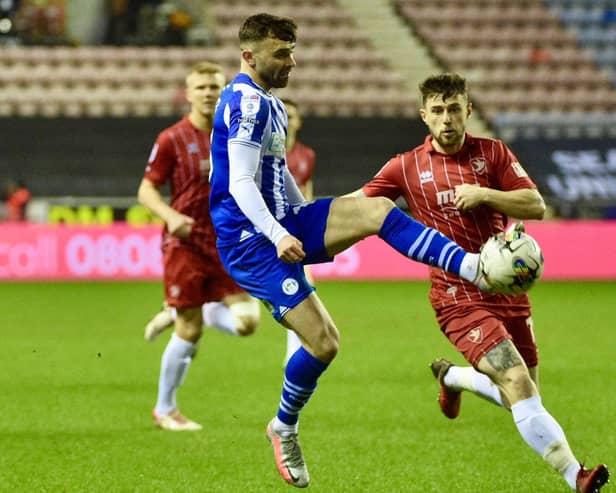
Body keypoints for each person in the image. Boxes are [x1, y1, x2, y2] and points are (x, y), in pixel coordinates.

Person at [208, 14, 496, 488]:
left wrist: (311, 222)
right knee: (324, 343)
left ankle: (471, 268)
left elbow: (277, 176)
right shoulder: (245, 102)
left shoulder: (272, 105)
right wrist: (280, 236)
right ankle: (283, 426)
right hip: (251, 240)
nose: (292, 61)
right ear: (249, 56)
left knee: (375, 209)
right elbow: (240, 182)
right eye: (281, 53)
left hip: (284, 220)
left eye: (292, 50)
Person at [353, 73, 609, 493]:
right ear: (424, 116)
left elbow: (535, 204)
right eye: (438, 110)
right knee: (516, 383)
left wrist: (486, 194)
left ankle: (453, 378)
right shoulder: (405, 166)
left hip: (508, 292)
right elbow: (357, 205)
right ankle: (575, 476)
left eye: (454, 109)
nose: (447, 118)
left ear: (468, 110)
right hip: (457, 295)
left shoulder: (492, 153)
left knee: (524, 397)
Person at [137, 61, 261, 431]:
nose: (208, 93)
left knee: (248, 323)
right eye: (201, 87)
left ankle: (188, 310)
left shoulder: (235, 136)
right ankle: (165, 410)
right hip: (186, 242)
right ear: (188, 93)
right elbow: (146, 190)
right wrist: (170, 216)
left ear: (225, 92)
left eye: (215, 87)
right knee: (189, 331)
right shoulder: (171, 138)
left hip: (227, 242)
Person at [280, 97, 317, 364]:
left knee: (304, 287)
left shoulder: (307, 156)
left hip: (295, 232)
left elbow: (306, 193)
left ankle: (293, 351)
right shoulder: (264, 152)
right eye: (283, 115)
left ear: (299, 122)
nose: (288, 121)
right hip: (266, 232)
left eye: (292, 116)